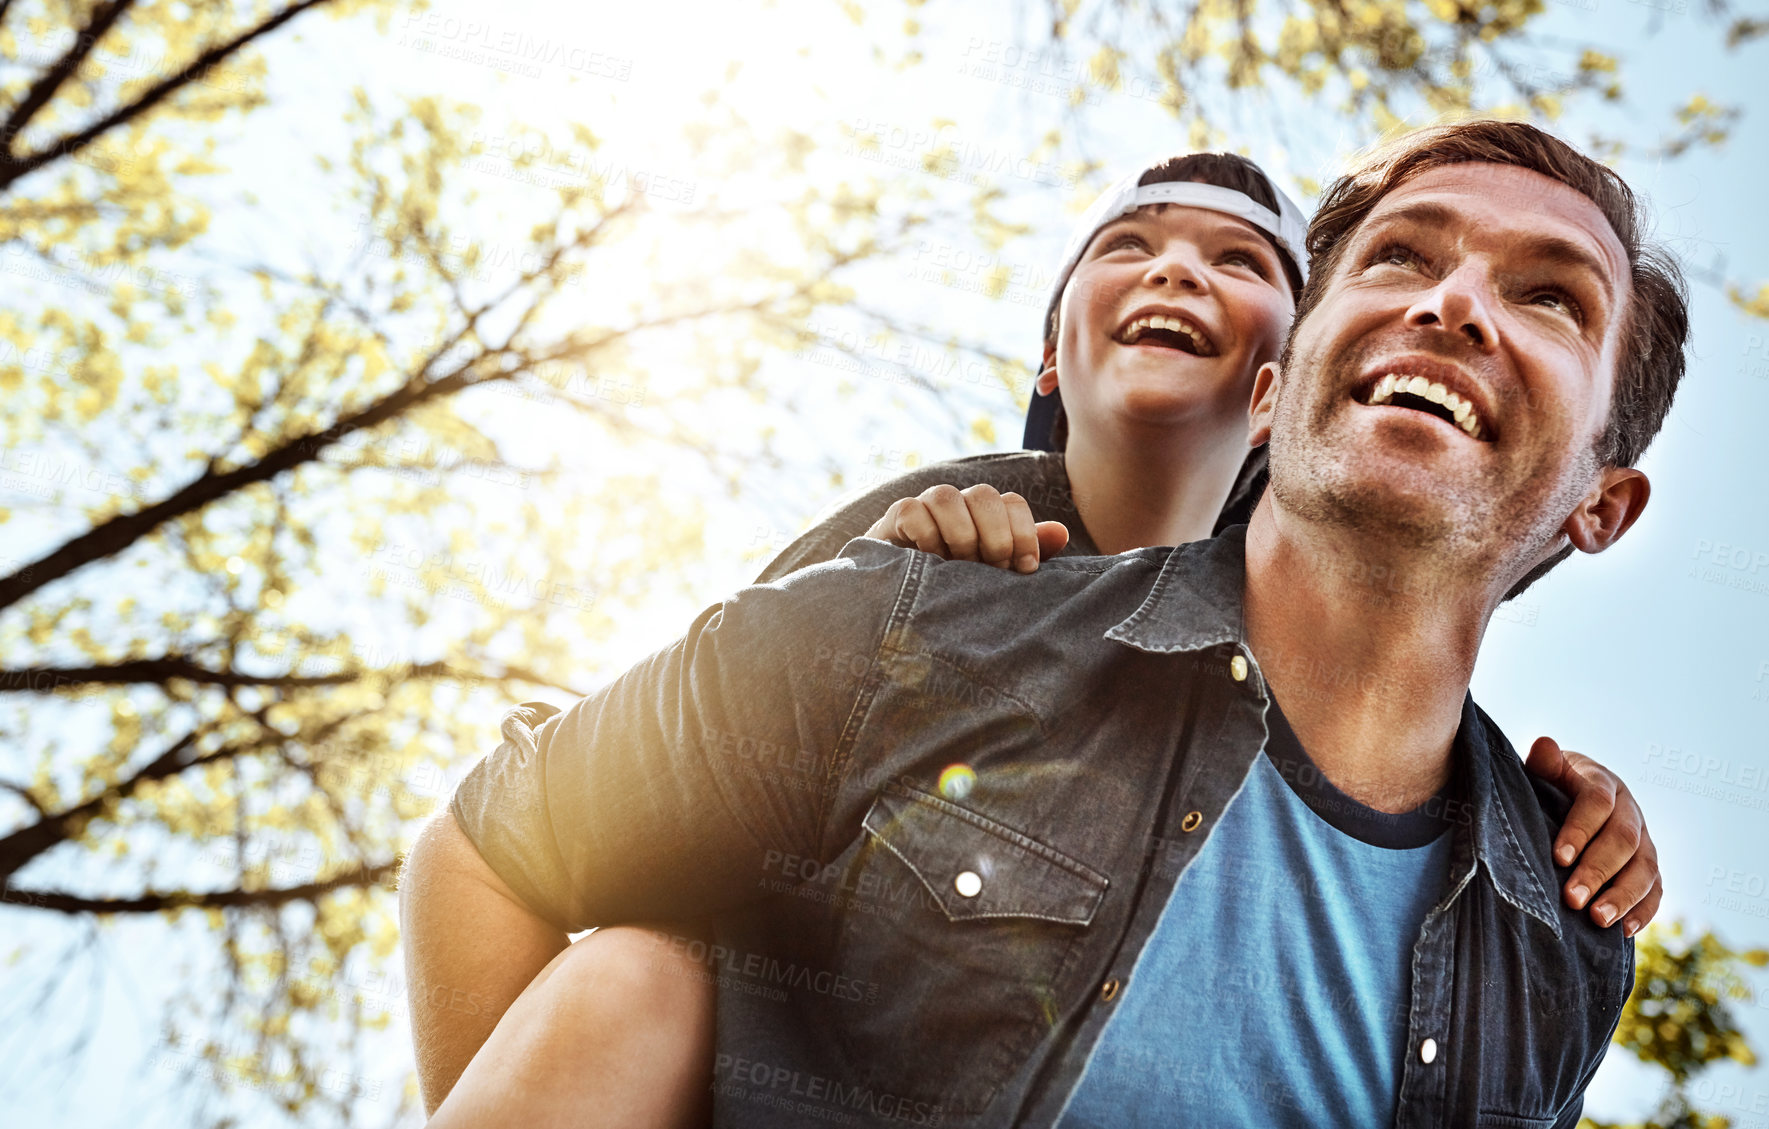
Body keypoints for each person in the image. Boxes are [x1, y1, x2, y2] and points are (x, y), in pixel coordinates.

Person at [401, 122, 1684, 1127]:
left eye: (1550, 297)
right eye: (1402, 254)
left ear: (1601, 505)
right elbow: (490, 850)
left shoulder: (1555, 945)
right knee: (631, 974)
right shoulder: (917, 609)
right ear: (1276, 386)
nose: (1451, 303)